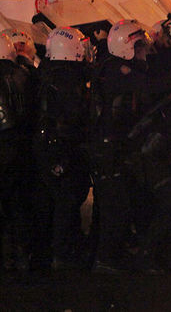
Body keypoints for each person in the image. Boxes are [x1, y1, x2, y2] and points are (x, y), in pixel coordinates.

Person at [90, 20, 171, 274]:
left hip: (119, 146)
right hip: (107, 148)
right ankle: (104, 260)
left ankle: (118, 255)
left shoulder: (126, 68)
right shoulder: (117, 70)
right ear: (126, 46)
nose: (143, 52)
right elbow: (147, 86)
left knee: (126, 204)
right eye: (139, 47)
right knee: (114, 207)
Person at [32, 27, 93, 270]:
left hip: (54, 145)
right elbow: (72, 117)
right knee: (67, 198)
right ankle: (62, 252)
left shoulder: (51, 73)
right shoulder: (66, 79)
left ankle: (66, 245)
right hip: (61, 146)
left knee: (63, 198)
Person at [0, 33, 33, 272]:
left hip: (5, 142)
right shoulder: (24, 74)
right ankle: (21, 254)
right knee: (17, 203)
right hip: (20, 145)